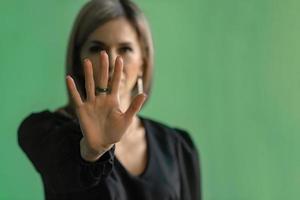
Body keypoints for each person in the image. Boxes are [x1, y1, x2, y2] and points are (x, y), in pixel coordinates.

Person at [17, 0, 201, 199]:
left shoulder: (177, 147)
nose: (113, 62)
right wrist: (90, 150)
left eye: (125, 49)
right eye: (97, 48)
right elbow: (64, 171)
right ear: (79, 60)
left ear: (143, 63)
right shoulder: (46, 133)